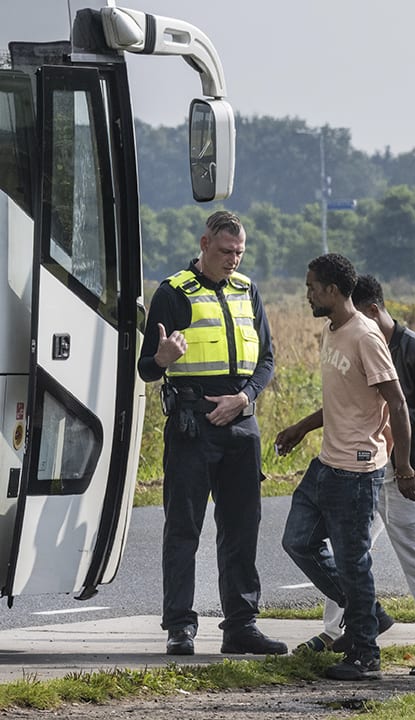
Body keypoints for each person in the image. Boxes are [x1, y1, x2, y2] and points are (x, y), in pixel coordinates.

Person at [138, 210, 286, 657]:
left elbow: (267, 360)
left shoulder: (248, 291)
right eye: (225, 251)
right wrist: (163, 358)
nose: (233, 260)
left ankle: (241, 626)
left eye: (239, 252)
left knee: (242, 528)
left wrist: (244, 398)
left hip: (241, 421)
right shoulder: (172, 293)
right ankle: (180, 627)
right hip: (192, 425)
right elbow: (146, 368)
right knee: (184, 529)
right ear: (205, 244)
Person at [294, 274, 415, 677]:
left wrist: (390, 431)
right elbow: (350, 401)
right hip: (364, 464)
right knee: (350, 550)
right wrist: (304, 426)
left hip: (412, 469)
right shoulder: (352, 338)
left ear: (371, 311)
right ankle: (337, 631)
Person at [276, 254, 415, 682]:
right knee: (297, 541)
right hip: (326, 463)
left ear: (334, 291)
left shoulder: (365, 336)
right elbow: (344, 398)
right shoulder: (331, 330)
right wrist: (302, 427)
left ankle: (365, 656)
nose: (308, 294)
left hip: (357, 471)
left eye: (313, 287)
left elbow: (396, 402)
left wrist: (404, 466)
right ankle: (368, 615)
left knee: (354, 562)